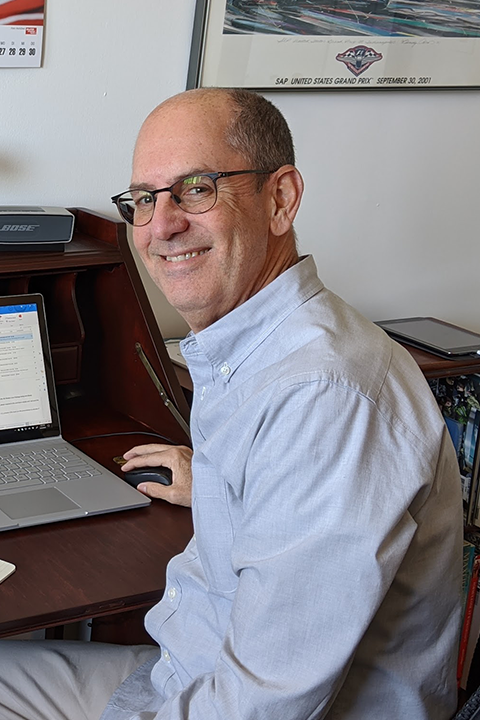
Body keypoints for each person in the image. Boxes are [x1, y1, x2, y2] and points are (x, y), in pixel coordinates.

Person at [0, 88, 463, 720]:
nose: (160, 226)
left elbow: (264, 703)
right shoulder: (249, 347)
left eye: (196, 188)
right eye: (144, 199)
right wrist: (221, 486)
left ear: (281, 199)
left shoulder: (321, 397)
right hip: (184, 672)